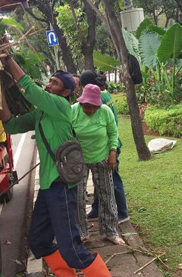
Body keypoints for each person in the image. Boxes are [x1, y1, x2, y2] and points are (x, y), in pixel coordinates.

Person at [0, 58, 111, 276]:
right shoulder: (41, 113)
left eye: (54, 83)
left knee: (73, 251)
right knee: (38, 241)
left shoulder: (60, 106)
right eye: (49, 81)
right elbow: (12, 124)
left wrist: (7, 57)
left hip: (61, 187)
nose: (49, 85)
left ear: (65, 92)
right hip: (49, 187)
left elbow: (30, 90)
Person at [72, 84, 125, 246]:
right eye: (87, 107)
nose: (90, 110)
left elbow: (113, 132)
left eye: (94, 107)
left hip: (102, 156)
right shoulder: (73, 111)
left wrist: (112, 154)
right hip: (79, 159)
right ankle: (82, 233)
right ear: (81, 103)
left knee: (107, 195)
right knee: (79, 198)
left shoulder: (105, 111)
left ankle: (110, 231)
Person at [79, 70, 129, 224]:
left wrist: (111, 150)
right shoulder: (104, 93)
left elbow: (111, 127)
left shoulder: (99, 98)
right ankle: (96, 208)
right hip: (105, 145)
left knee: (112, 180)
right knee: (98, 180)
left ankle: (122, 212)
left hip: (108, 146)